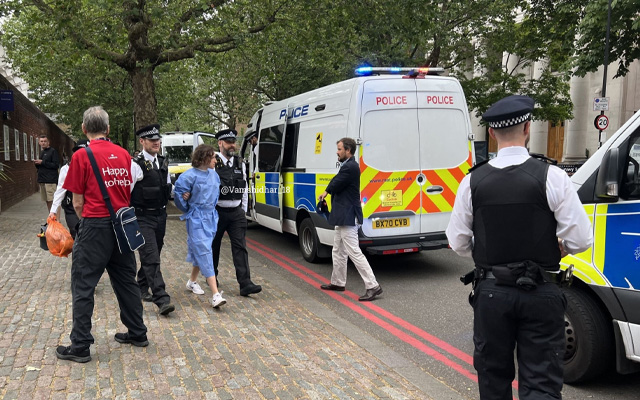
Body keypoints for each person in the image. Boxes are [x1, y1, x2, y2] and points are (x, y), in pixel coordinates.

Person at [445, 95, 593, 400]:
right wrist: (561, 247)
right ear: (527, 128)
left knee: (493, 378)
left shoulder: (471, 182)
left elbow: (457, 242)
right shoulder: (552, 177)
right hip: (541, 292)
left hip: (491, 292)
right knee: (541, 381)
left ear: (491, 134)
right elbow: (582, 239)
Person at [55, 106, 148, 363]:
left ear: (85, 129)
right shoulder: (122, 154)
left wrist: (86, 225)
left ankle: (81, 345)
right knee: (126, 280)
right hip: (122, 225)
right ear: (107, 129)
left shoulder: (81, 156)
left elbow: (76, 202)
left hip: (95, 225)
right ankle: (138, 331)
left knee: (84, 284)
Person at [318, 137, 383, 301]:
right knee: (338, 250)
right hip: (342, 216)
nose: (337, 152)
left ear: (348, 150)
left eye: (340, 149)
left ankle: (373, 286)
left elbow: (337, 182)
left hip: (348, 217)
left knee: (354, 251)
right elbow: (337, 181)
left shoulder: (351, 167)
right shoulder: (347, 166)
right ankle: (338, 282)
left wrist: (325, 192)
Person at [130, 124, 175, 316]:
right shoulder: (135, 165)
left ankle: (141, 286)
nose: (156, 143)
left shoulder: (163, 163)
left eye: (158, 140)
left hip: (160, 216)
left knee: (153, 254)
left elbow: (169, 189)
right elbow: (126, 193)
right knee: (151, 256)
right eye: (151, 140)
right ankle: (161, 297)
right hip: (142, 217)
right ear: (142, 142)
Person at [174, 144, 226, 308]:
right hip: (196, 219)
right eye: (213, 157)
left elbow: (215, 194)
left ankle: (192, 281)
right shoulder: (188, 176)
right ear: (204, 158)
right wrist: (188, 206)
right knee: (204, 251)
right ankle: (215, 294)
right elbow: (179, 197)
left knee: (202, 249)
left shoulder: (214, 175)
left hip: (211, 218)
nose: (215, 161)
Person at [211, 128, 262, 296]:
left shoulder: (241, 162)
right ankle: (212, 278)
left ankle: (245, 283)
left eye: (233, 142)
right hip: (217, 211)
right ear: (220, 144)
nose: (232, 145)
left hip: (236, 212)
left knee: (240, 247)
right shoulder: (212, 164)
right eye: (228, 143)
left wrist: (243, 209)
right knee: (214, 246)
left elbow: (245, 187)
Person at [48, 139, 89, 238]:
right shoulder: (66, 169)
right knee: (76, 235)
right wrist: (53, 210)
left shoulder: (93, 167)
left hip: (89, 209)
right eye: (78, 151)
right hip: (71, 209)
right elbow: (60, 190)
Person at [35, 135, 60, 211]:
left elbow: (55, 165)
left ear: (48, 142)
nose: (43, 143)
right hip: (42, 180)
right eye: (41, 141)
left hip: (50, 180)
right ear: (39, 143)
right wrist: (37, 164)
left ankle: (56, 219)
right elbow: (43, 166)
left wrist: (42, 162)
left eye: (45, 141)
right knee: (47, 200)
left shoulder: (53, 151)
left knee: (53, 200)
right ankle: (51, 217)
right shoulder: (42, 152)